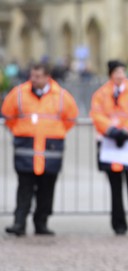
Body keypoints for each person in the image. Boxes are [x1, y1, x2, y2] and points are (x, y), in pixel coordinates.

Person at [2, 63, 78, 236]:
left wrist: (54, 131)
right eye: (32, 75)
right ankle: (19, 223)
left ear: (47, 77)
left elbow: (70, 118)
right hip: (26, 148)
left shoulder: (61, 96)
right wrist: (21, 131)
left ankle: (41, 223)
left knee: (46, 189)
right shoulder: (19, 94)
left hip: (51, 149)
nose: (33, 79)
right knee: (24, 188)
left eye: (37, 76)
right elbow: (8, 116)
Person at [90, 60, 128, 236]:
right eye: (117, 72)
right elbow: (97, 114)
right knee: (115, 186)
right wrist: (111, 130)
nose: (120, 76)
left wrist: (127, 131)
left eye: (122, 72)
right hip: (110, 142)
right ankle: (119, 224)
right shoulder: (101, 94)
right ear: (110, 74)